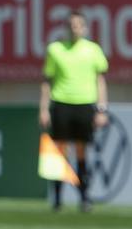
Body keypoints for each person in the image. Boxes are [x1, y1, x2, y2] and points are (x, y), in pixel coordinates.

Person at [39, 12, 110, 212]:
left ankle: (84, 197)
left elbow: (100, 80)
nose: (75, 28)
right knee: (60, 152)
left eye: (79, 25)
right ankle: (58, 199)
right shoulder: (55, 49)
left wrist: (102, 108)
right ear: (66, 27)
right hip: (61, 103)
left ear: (85, 28)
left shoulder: (93, 50)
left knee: (81, 152)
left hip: (85, 104)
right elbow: (47, 80)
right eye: (71, 25)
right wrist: (44, 108)